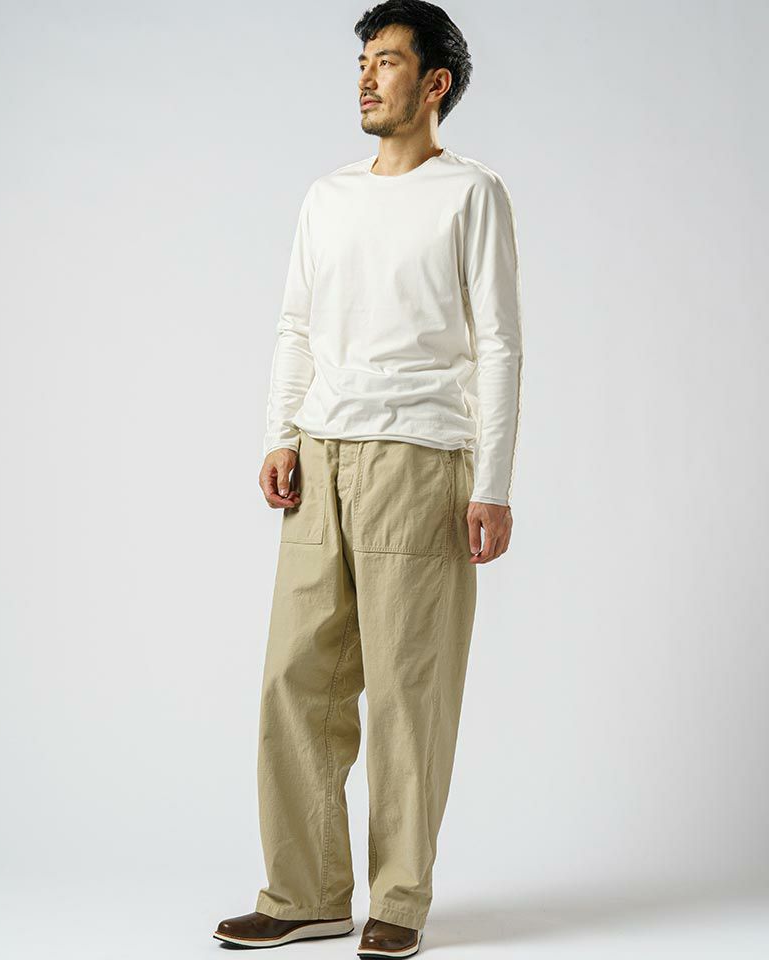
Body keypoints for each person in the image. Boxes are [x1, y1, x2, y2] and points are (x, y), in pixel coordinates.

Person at [213, 2, 523, 956]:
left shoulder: (472, 193)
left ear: (434, 84)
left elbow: (499, 344)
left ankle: (400, 899)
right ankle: (305, 892)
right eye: (362, 60)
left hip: (420, 459)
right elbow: (295, 325)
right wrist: (280, 433)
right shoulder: (328, 196)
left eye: (386, 61)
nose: (365, 76)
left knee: (406, 690)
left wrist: (492, 481)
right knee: (295, 678)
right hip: (320, 455)